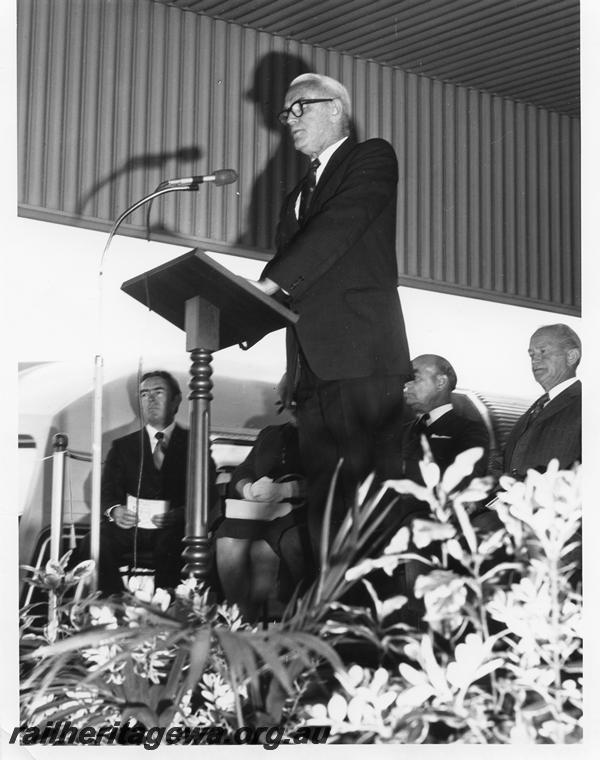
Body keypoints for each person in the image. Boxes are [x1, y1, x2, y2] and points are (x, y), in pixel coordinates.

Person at [250, 73, 412, 562]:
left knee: (368, 509)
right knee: (326, 513)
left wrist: (266, 285)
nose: (289, 120)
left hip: (363, 361)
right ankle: (331, 627)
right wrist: (288, 360)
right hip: (315, 372)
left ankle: (376, 634)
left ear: (337, 109)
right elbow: (297, 285)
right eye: (285, 113)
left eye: (300, 107)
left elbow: (335, 230)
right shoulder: (297, 193)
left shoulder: (371, 157)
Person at [75, 370, 215, 595]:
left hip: (175, 529)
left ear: (176, 400)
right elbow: (107, 491)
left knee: (172, 546)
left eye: (158, 393)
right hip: (131, 528)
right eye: (144, 394)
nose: (150, 400)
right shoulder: (123, 446)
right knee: (95, 542)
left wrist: (181, 515)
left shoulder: (195, 443)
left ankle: (168, 616)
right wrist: (115, 511)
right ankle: (114, 608)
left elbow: (209, 494)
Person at [214, 377, 310, 622]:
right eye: (289, 399)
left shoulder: (327, 436)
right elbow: (242, 472)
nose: (293, 404)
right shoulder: (270, 435)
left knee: (262, 548)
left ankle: (266, 619)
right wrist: (248, 489)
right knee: (226, 536)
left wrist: (287, 490)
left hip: (299, 514)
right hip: (261, 512)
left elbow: (332, 480)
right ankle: (242, 620)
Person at [502, 324, 581, 477]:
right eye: (531, 354)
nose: (535, 360)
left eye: (543, 351)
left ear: (571, 356)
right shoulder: (535, 409)